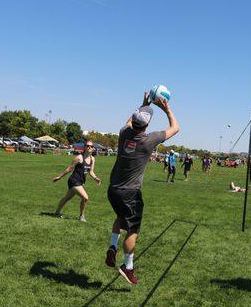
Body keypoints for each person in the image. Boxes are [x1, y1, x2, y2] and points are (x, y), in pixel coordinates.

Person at [105, 93, 179, 285]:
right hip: (130, 193)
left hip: (113, 189)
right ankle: (127, 267)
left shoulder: (124, 133)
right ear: (146, 125)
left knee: (121, 217)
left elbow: (129, 122)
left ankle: (113, 246)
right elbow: (175, 128)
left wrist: (142, 105)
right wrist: (167, 109)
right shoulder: (148, 140)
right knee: (133, 229)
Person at [53, 141, 101, 222]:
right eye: (88, 146)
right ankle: (81, 216)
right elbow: (70, 168)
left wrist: (95, 178)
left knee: (67, 198)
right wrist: (59, 177)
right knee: (85, 197)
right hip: (73, 181)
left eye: (91, 146)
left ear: (93, 148)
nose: (89, 147)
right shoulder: (79, 158)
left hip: (80, 182)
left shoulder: (93, 159)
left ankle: (56, 213)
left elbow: (91, 171)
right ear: (84, 147)